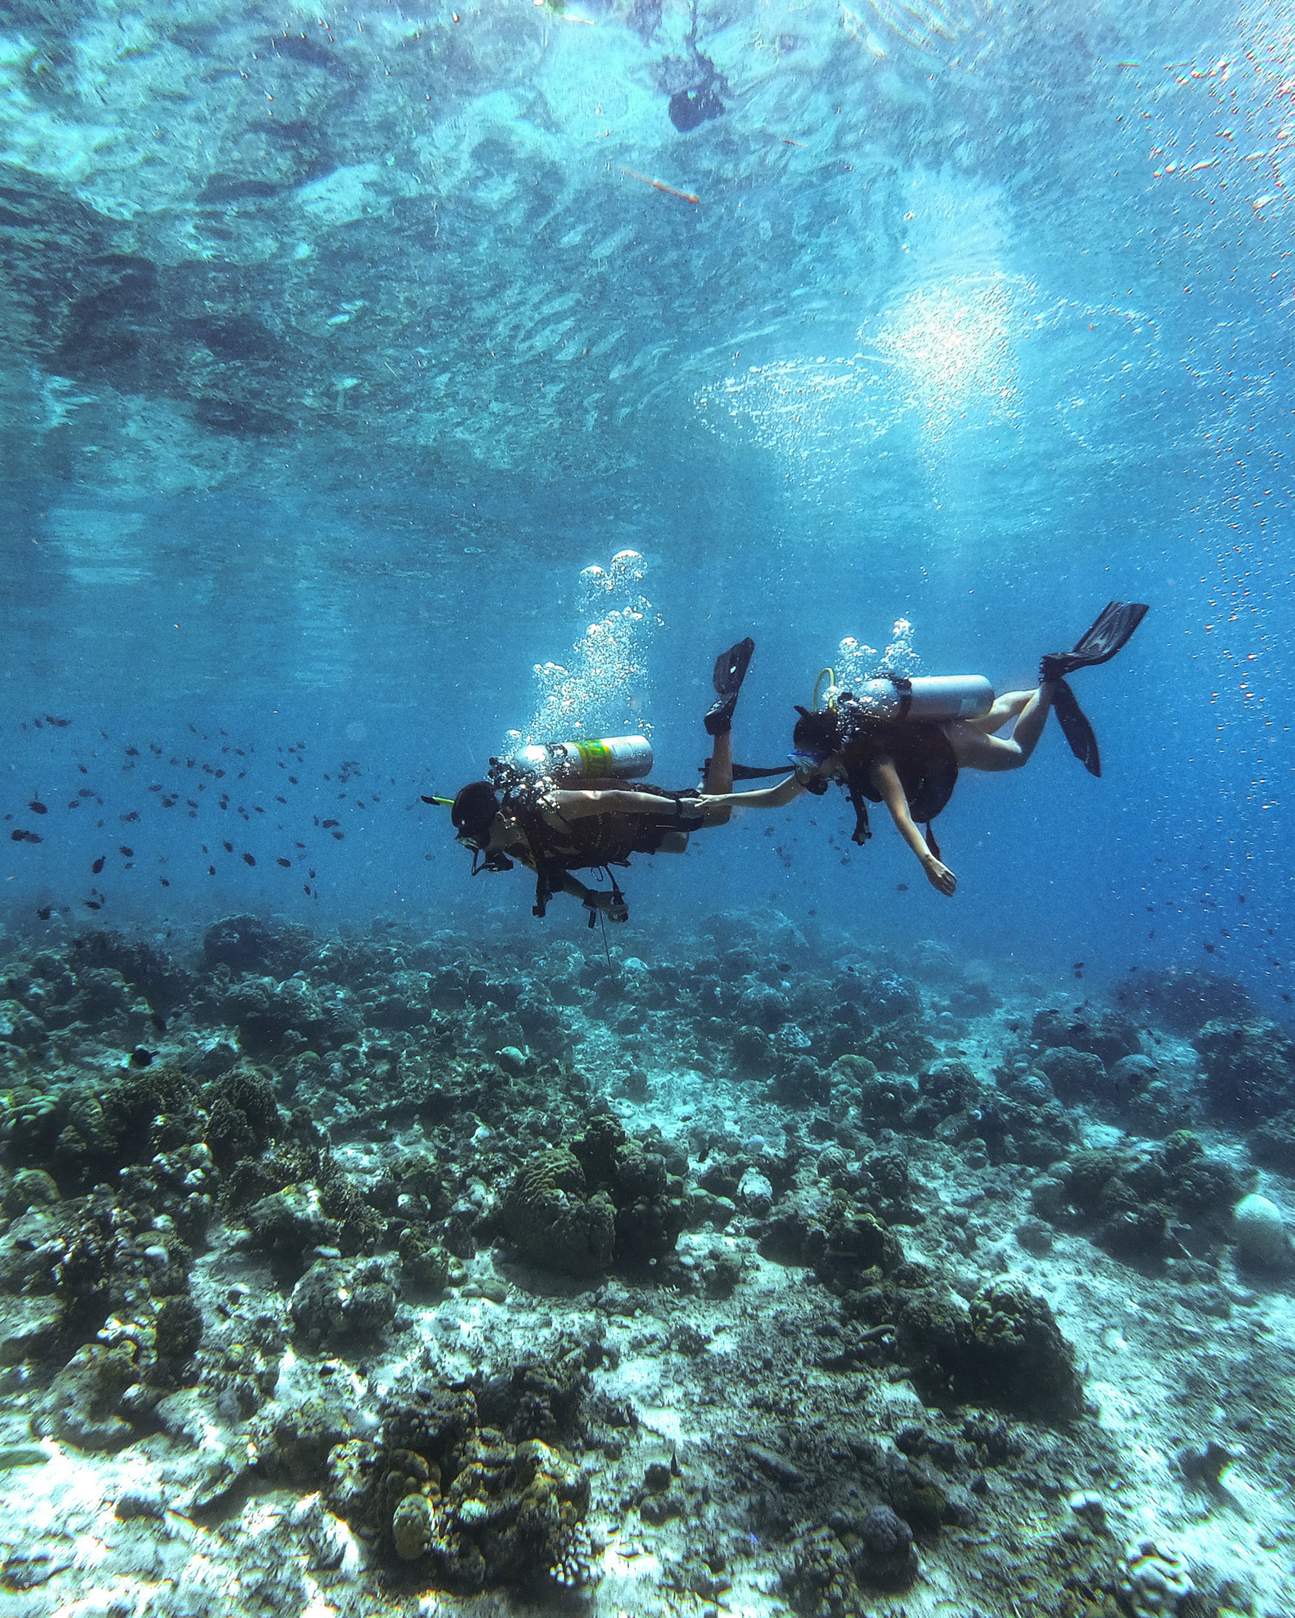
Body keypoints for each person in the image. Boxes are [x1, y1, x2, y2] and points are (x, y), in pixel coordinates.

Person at [699, 602, 1149, 899]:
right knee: (999, 709)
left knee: (1015, 753)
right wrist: (723, 798)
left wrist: (927, 860)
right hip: (942, 729)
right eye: (803, 763)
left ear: (830, 749)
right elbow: (777, 795)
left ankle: (1049, 681)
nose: (809, 772)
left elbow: (900, 812)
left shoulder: (872, 761)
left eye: (811, 762)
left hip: (949, 746)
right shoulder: (839, 753)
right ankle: (1034, 693)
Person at [445, 638, 771, 923]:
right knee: (678, 843)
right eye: (470, 843)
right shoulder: (515, 842)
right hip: (620, 838)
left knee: (717, 814)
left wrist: (675, 806)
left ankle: (721, 724)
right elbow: (552, 873)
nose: (478, 850)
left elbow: (611, 799)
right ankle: (715, 775)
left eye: (476, 840)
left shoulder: (547, 805)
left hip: (631, 810)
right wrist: (592, 899)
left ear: (498, 819)